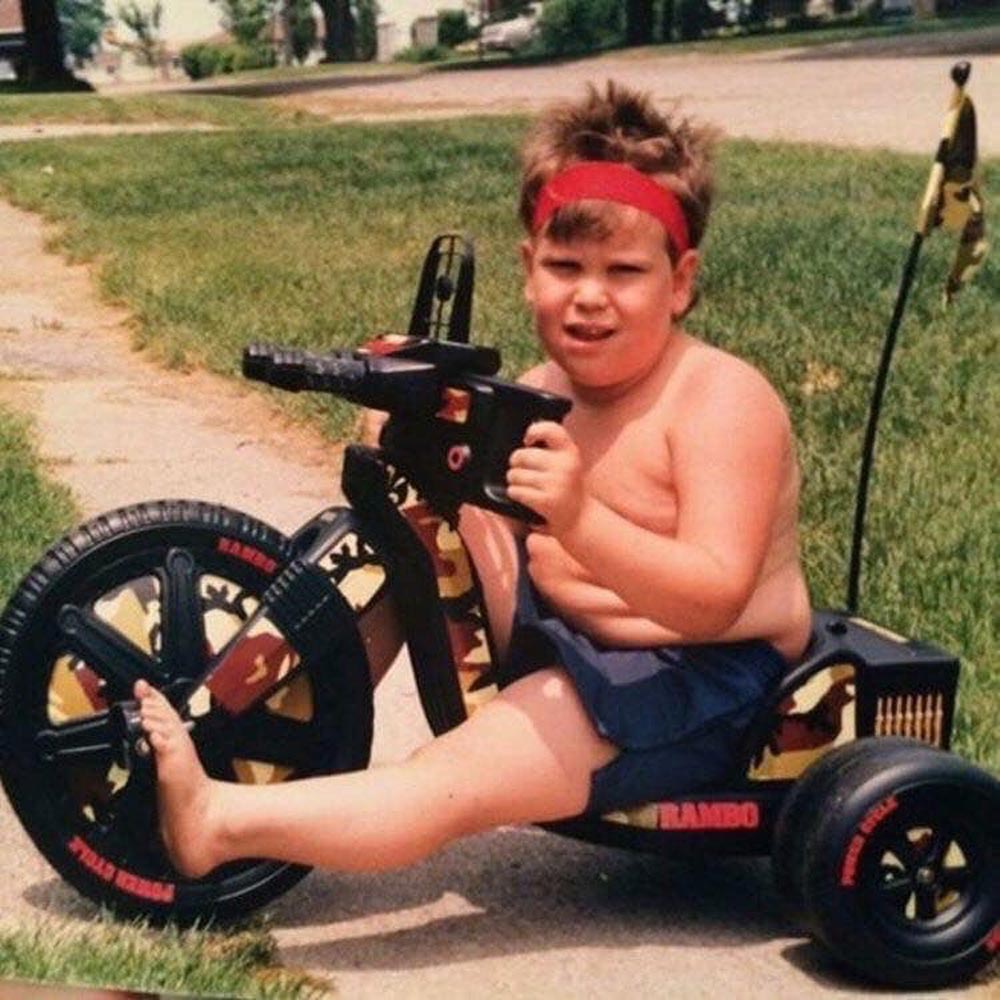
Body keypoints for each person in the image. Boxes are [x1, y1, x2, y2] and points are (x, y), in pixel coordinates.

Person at [135, 81, 812, 879]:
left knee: (451, 780)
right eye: (565, 265)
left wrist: (581, 516)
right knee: (399, 533)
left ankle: (217, 822)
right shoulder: (548, 386)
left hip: (697, 682)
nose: (589, 296)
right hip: (572, 636)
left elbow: (715, 595)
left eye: (624, 270)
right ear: (529, 271)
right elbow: (489, 527)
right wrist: (413, 453)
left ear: (682, 281)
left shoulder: (720, 400)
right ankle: (257, 711)